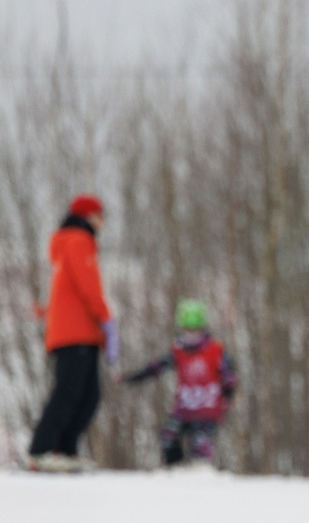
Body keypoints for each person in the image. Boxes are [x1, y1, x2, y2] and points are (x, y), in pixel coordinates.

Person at [28, 195, 115, 470]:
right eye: (100, 216)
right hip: (75, 333)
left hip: (80, 332)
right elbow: (88, 286)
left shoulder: (71, 243)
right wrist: (106, 319)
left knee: (88, 396)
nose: (103, 222)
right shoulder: (78, 241)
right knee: (69, 393)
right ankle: (41, 450)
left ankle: (64, 450)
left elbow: (66, 291)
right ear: (89, 216)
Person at [123, 299, 237, 466]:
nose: (191, 334)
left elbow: (229, 377)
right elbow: (157, 367)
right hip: (184, 408)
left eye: (195, 330)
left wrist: (228, 398)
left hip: (208, 408)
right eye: (187, 329)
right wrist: (134, 377)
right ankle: (173, 468)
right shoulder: (178, 351)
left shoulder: (216, 350)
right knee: (168, 436)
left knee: (200, 441)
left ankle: (201, 469)